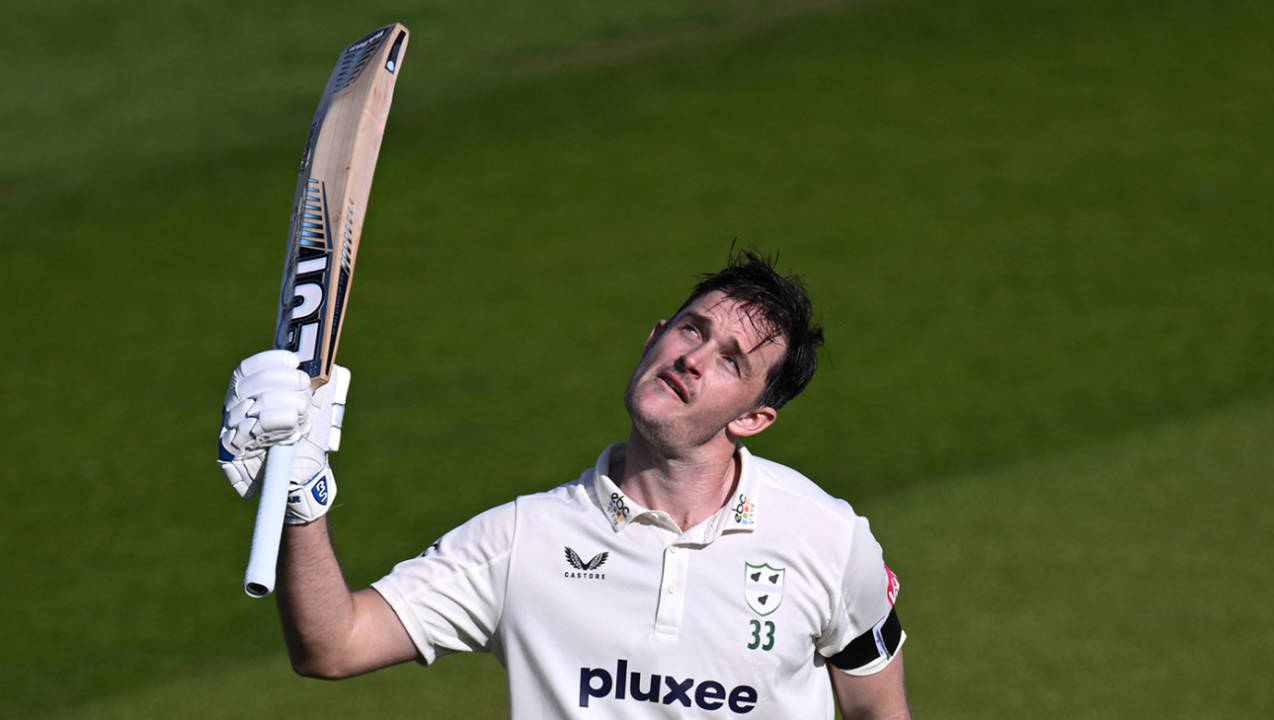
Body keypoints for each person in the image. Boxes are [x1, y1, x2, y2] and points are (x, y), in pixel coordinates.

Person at [218, 250, 911, 719]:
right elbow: (333, 644)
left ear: (756, 416)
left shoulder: (826, 538)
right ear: (653, 338)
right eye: (691, 330)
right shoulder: (523, 542)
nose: (693, 359)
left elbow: (877, 708)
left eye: (729, 361)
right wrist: (299, 508)